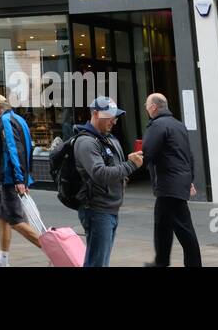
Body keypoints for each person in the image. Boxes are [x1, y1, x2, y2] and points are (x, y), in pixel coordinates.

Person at [72, 96, 144, 267]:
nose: (114, 121)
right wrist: (130, 165)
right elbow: (100, 174)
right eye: (110, 116)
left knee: (99, 261)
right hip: (97, 209)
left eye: (116, 116)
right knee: (97, 262)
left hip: (110, 207)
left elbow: (116, 168)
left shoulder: (110, 139)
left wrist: (127, 165)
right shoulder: (86, 142)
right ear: (95, 114)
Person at [142, 92, 202, 267]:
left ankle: (193, 264)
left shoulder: (157, 125)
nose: (146, 108)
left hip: (169, 184)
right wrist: (189, 178)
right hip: (177, 182)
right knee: (163, 224)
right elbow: (188, 155)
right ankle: (161, 261)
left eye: (147, 105)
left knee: (183, 228)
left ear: (154, 107)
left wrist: (132, 164)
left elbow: (148, 152)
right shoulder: (178, 125)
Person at [0, 93, 42, 266]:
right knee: (3, 218)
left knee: (16, 221)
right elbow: (28, 149)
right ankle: (3, 260)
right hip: (10, 178)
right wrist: (26, 177)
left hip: (10, 179)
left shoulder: (5, 122)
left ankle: (53, 249)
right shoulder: (18, 119)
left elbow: (14, 150)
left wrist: (20, 179)